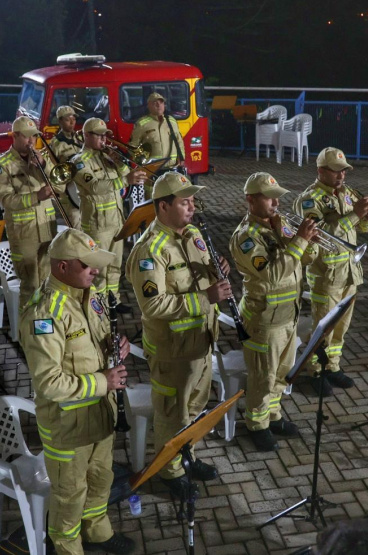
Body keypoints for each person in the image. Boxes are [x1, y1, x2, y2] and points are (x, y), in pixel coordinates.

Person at [20, 228, 135, 555]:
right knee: (69, 495)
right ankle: (68, 547)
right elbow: (48, 383)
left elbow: (96, 341)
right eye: (87, 266)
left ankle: (98, 531)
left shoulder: (90, 295)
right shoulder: (44, 314)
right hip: (67, 426)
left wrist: (116, 347)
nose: (95, 271)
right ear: (62, 268)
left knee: (101, 479)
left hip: (101, 414)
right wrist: (104, 382)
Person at [125, 171, 227, 497]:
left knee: (194, 409)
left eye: (193, 201)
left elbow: (204, 270)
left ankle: (187, 456)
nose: (192, 208)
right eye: (185, 202)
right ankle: (169, 473)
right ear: (163, 206)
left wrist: (215, 271)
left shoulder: (193, 233)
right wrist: (205, 299)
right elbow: (154, 305)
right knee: (172, 413)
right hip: (172, 350)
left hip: (201, 342)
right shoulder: (148, 250)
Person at [229, 172, 317, 451]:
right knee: (262, 377)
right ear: (250, 199)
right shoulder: (246, 238)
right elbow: (272, 275)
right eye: (269, 198)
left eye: (277, 197)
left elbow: (310, 257)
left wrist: (299, 238)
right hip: (264, 318)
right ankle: (257, 424)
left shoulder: (278, 226)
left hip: (288, 314)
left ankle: (274, 416)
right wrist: (298, 241)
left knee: (282, 372)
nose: (276, 203)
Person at [293, 148, 368, 395]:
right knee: (323, 329)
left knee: (341, 328)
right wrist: (355, 215)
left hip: (350, 272)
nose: (342, 176)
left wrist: (367, 217)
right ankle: (315, 371)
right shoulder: (309, 199)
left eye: (344, 171)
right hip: (326, 276)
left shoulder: (348, 194)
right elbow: (321, 233)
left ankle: (333, 366)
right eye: (336, 171)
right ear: (321, 171)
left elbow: (365, 228)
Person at [71, 117, 145, 304]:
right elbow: (95, 187)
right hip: (97, 224)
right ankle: (100, 306)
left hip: (116, 221)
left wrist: (120, 162)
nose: (104, 140)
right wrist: (126, 180)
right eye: (99, 135)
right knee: (99, 271)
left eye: (105, 136)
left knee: (115, 266)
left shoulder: (106, 156)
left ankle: (114, 302)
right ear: (86, 135)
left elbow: (124, 173)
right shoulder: (79, 162)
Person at [0, 116, 58, 304]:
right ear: (15, 135)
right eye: (27, 137)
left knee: (48, 283)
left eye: (34, 137)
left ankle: (47, 328)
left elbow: (59, 187)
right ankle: (29, 330)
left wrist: (43, 165)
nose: (31, 142)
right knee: (30, 287)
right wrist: (37, 196)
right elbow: (7, 201)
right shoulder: (0, 165)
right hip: (23, 234)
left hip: (46, 229)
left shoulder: (41, 158)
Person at [129, 91, 186, 198]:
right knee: (152, 202)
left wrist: (182, 157)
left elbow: (179, 141)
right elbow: (132, 146)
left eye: (161, 102)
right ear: (149, 105)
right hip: (152, 171)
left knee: (171, 200)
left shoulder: (171, 121)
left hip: (172, 168)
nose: (158, 105)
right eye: (154, 103)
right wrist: (140, 161)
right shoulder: (142, 123)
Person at [50, 105, 84, 229]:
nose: (71, 122)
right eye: (67, 119)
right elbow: (54, 169)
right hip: (69, 192)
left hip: (84, 187)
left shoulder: (81, 138)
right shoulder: (56, 144)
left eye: (74, 119)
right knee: (77, 227)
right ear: (60, 121)